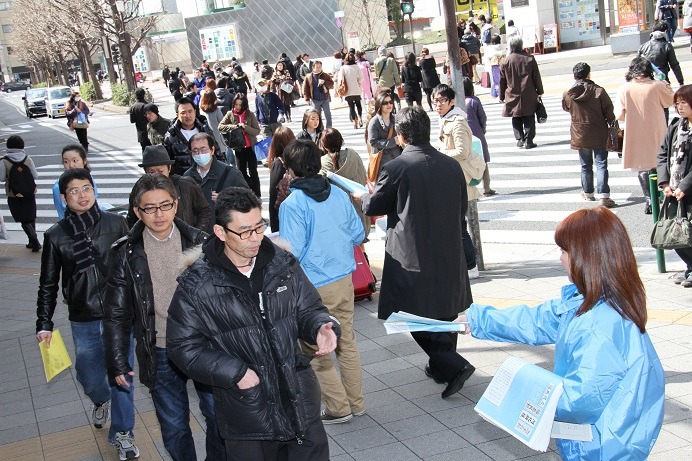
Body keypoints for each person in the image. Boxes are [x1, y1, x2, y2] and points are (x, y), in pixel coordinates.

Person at [456, 207, 665, 460]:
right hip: (606, 434)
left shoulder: (600, 325)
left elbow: (580, 400)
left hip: (603, 444)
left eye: (564, 251)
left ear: (585, 257)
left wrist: (522, 396)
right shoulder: (595, 300)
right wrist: (478, 320)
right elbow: (536, 320)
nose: (560, 258)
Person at [166, 186, 338, 460]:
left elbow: (310, 308)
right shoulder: (197, 284)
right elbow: (181, 346)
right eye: (244, 231)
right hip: (247, 414)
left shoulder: (282, 263)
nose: (255, 238)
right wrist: (234, 372)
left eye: (259, 227)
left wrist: (320, 326)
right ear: (221, 233)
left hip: (299, 403)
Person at [103, 174, 225, 461]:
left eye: (165, 205)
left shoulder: (201, 244)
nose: (158, 214)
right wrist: (117, 360)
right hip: (158, 349)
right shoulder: (125, 253)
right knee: (174, 426)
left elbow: (223, 299)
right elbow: (116, 314)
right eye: (149, 208)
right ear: (137, 211)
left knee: (219, 418)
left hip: (202, 346)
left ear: (176, 205)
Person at [357, 106, 475, 399]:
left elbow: (375, 207)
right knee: (445, 309)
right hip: (448, 248)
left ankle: (452, 364)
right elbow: (461, 208)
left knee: (407, 313)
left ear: (400, 136)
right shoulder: (451, 165)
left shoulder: (396, 168)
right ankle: (439, 366)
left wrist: (364, 197)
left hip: (411, 252)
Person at [36, 168, 139, 460]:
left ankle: (123, 432)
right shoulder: (55, 235)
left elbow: (134, 268)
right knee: (90, 375)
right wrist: (43, 323)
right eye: (74, 191)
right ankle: (99, 398)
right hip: (83, 317)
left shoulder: (117, 224)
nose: (82, 195)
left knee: (122, 375)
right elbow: (47, 284)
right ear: (64, 197)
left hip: (119, 316)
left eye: (86, 188)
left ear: (94, 190)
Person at [279, 140, 365, 424]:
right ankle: (356, 403)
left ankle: (338, 408)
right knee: (347, 342)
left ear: (290, 170)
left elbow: (292, 251)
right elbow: (357, 234)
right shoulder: (339, 195)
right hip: (344, 280)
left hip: (312, 287)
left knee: (316, 348)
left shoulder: (293, 204)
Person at [433, 84, 481, 280]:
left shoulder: (458, 121)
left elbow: (462, 152)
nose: (438, 104)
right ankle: (468, 264)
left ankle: (471, 265)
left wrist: (438, 154)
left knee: (458, 225)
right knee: (457, 224)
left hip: (459, 179)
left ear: (452, 101)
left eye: (442, 100)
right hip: (453, 177)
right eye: (435, 100)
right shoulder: (446, 119)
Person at [617, 57, 674, 214]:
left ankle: (648, 199)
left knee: (642, 166)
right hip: (656, 129)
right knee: (660, 162)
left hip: (635, 131)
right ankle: (661, 197)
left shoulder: (625, 88)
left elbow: (620, 115)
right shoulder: (657, 86)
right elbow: (670, 100)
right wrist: (665, 82)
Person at [562, 62, 616, 208]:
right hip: (599, 132)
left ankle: (588, 192)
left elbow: (566, 108)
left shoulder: (568, 94)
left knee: (585, 165)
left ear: (574, 76)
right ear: (588, 74)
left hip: (580, 134)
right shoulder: (599, 91)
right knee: (601, 164)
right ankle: (604, 196)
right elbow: (609, 113)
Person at [657, 84, 692, 287]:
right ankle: (689, 266)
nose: (679, 107)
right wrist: (664, 182)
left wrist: (684, 186)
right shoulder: (676, 126)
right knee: (676, 232)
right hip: (673, 189)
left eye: (683, 103)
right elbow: (662, 154)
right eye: (677, 103)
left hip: (687, 189)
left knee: (690, 231)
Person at [128, 145, 211, 231]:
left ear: (169, 168)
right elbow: (132, 220)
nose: (157, 175)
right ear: (145, 172)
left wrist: (196, 233)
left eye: (161, 171)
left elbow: (204, 210)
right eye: (151, 172)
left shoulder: (186, 185)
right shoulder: (139, 190)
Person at [183, 132, 248, 232]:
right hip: (197, 234)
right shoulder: (187, 177)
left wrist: (227, 200)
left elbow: (249, 201)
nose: (200, 154)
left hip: (224, 234)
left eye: (203, 149)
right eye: (195, 151)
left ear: (212, 150)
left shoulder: (230, 173)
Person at [319, 128, 370, 242]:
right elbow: (362, 177)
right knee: (360, 249)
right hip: (359, 210)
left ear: (324, 146)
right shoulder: (353, 155)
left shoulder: (324, 162)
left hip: (339, 215)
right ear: (341, 141)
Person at [500, 36, 544, 149]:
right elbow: (536, 77)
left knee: (516, 116)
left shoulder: (505, 61)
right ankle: (529, 140)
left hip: (512, 93)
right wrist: (540, 91)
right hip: (528, 92)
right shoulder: (529, 59)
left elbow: (502, 81)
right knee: (529, 116)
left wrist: (501, 96)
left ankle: (520, 139)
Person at [163, 97, 222, 176]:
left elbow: (218, 153)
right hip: (183, 181)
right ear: (177, 114)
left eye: (190, 111)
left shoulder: (205, 130)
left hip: (209, 177)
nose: (187, 115)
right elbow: (166, 163)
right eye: (183, 113)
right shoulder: (171, 136)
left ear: (194, 111)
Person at [219, 93, 262, 197]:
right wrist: (234, 126)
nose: (238, 107)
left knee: (253, 171)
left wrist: (245, 127)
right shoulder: (230, 114)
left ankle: (257, 194)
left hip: (250, 147)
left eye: (240, 105)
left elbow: (257, 131)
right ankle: (249, 189)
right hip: (239, 148)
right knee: (241, 172)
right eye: (236, 104)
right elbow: (220, 126)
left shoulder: (250, 114)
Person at [1, 135, 40, 251]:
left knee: (23, 219)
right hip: (29, 192)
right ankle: (32, 241)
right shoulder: (27, 158)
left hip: (14, 194)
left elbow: (2, 178)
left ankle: (35, 241)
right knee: (30, 217)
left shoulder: (4, 161)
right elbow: (35, 175)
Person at [637, 20, 684, 115]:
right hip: (662, 81)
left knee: (648, 108)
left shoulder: (643, 47)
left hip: (646, 83)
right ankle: (664, 128)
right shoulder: (667, 46)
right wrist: (681, 82)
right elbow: (674, 65)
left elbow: (636, 66)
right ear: (665, 32)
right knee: (664, 107)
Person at [463, 78, 495, 197]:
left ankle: (472, 192)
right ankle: (487, 188)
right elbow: (483, 117)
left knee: (468, 162)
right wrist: (483, 128)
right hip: (477, 133)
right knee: (483, 160)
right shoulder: (474, 101)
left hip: (464, 135)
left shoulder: (457, 102)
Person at [366, 91, 402, 179]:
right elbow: (373, 142)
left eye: (390, 102)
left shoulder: (396, 118)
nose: (389, 105)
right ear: (379, 105)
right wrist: (393, 141)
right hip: (382, 160)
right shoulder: (374, 122)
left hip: (397, 157)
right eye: (385, 103)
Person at [267, 127, 296, 232]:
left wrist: (274, 227)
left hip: (283, 213)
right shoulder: (297, 158)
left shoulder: (279, 163)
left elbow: (273, 196)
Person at [302, 61, 333, 128]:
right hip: (315, 99)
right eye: (317, 67)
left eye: (320, 67)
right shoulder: (309, 76)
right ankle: (320, 129)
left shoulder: (325, 75)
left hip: (325, 98)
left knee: (328, 114)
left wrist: (324, 82)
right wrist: (307, 98)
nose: (318, 68)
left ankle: (329, 128)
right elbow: (305, 88)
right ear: (313, 67)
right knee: (317, 116)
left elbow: (331, 84)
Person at [338, 52, 364, 129]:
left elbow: (340, 78)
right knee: (358, 104)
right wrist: (358, 81)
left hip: (347, 90)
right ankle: (360, 118)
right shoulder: (356, 66)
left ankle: (354, 122)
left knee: (351, 107)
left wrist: (340, 87)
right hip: (356, 89)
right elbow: (361, 77)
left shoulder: (343, 67)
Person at [483, 34, 506, 99]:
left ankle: (495, 93)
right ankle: (503, 92)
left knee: (495, 80)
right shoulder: (503, 47)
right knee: (503, 79)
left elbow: (487, 58)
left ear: (492, 41)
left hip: (494, 65)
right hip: (503, 64)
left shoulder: (490, 49)